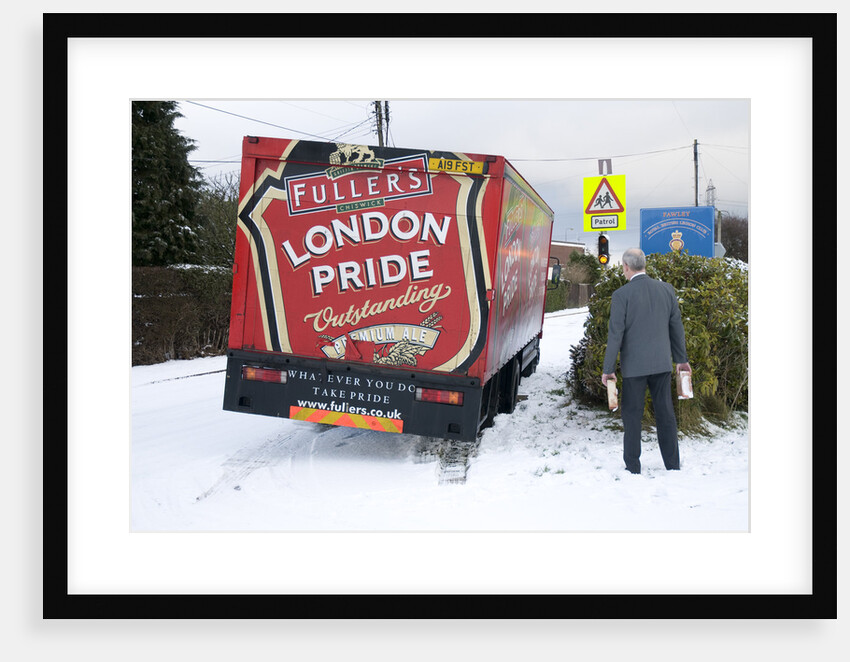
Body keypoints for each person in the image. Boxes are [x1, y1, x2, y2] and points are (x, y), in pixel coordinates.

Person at [601, 248, 691, 474]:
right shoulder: (666, 290)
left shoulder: (621, 295)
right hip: (662, 364)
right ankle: (672, 464)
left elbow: (616, 335)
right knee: (666, 414)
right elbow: (676, 329)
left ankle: (633, 466)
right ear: (644, 265)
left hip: (634, 368)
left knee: (632, 416)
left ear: (626, 267)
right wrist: (681, 360)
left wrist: (608, 369)